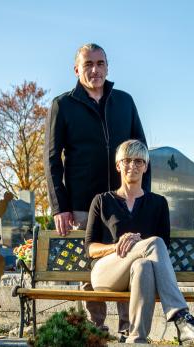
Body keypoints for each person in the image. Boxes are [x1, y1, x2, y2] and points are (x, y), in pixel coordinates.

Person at [44, 43, 150, 334]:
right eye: (88, 64)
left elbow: (142, 151)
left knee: (128, 256)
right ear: (76, 69)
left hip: (123, 199)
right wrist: (60, 206)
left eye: (100, 63)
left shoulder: (125, 101)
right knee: (91, 264)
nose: (95, 69)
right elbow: (51, 160)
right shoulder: (62, 105)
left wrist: (145, 198)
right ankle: (95, 328)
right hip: (81, 201)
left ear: (107, 67)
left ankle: (128, 327)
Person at [85, 140, 194, 344]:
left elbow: (162, 247)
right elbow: (90, 249)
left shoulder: (158, 203)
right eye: (127, 160)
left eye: (139, 161)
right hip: (107, 273)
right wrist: (118, 246)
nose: (133, 166)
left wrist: (138, 246)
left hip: (136, 274)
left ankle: (137, 339)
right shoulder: (102, 201)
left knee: (144, 265)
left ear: (146, 167)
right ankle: (182, 319)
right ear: (118, 165)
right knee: (153, 242)